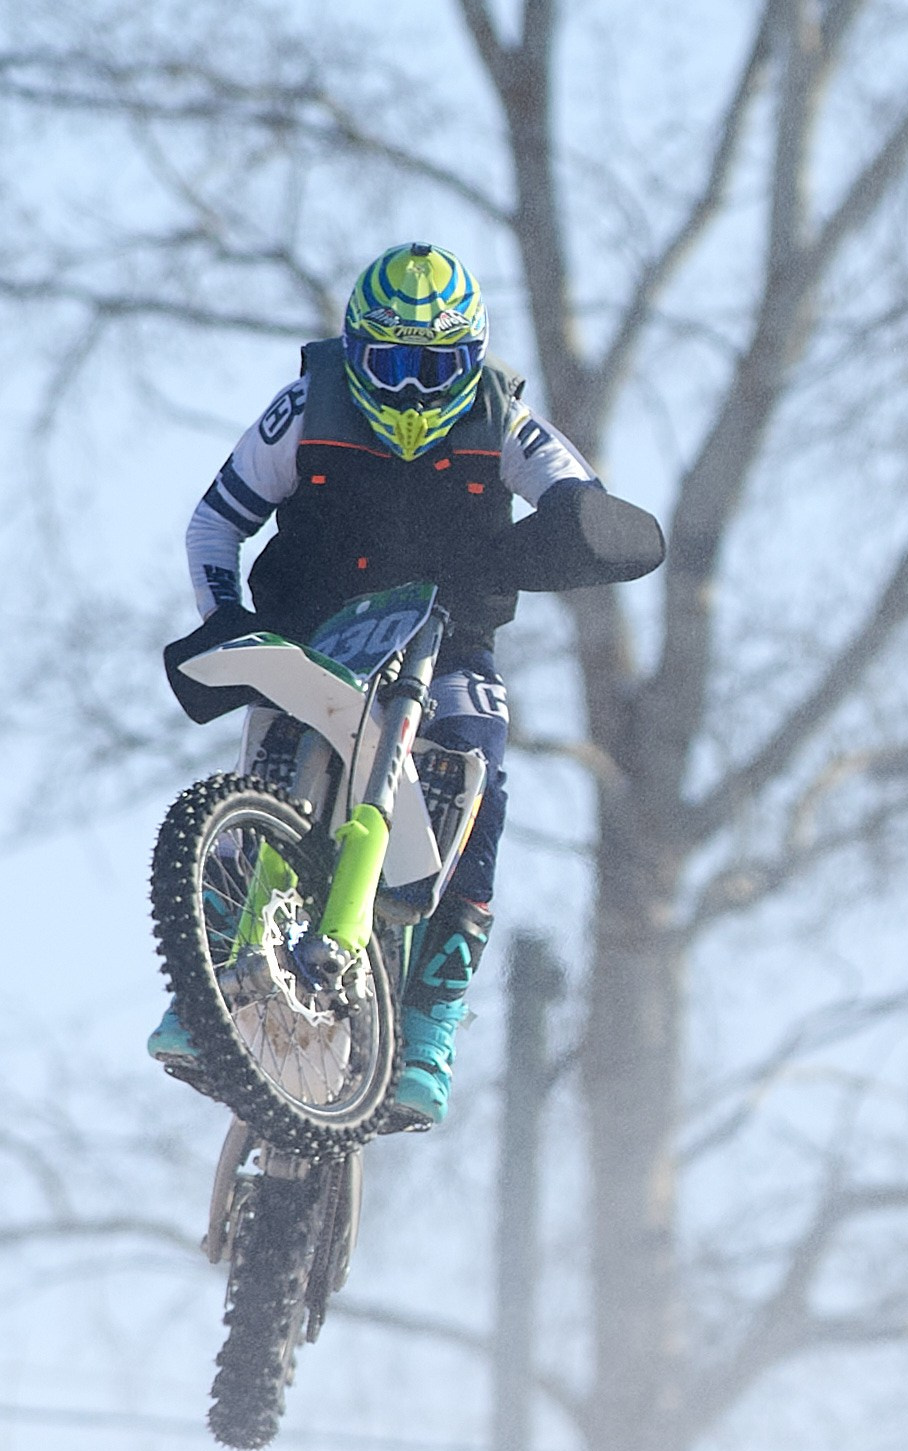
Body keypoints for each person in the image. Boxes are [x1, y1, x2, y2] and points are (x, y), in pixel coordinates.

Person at [150, 241, 661, 1128]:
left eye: (440, 370)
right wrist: (224, 618)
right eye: (393, 366)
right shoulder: (308, 405)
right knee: (267, 756)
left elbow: (580, 492)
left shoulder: (504, 418)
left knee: (481, 775)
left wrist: (582, 526)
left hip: (446, 637)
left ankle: (430, 1024)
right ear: (356, 355)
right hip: (312, 626)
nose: (417, 393)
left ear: (473, 362)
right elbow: (213, 523)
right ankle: (203, 983)